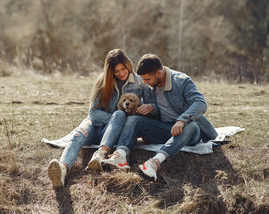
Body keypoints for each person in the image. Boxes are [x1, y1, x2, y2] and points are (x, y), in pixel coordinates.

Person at [102, 53, 218, 181]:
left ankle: (155, 162)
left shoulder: (181, 81)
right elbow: (157, 111)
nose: (144, 83)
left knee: (191, 125)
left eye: (147, 79)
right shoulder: (153, 86)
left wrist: (181, 120)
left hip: (188, 131)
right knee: (132, 119)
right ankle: (121, 156)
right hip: (165, 129)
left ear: (158, 73)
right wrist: (152, 107)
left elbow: (201, 103)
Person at [47, 49, 150, 188]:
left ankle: (100, 153)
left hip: (112, 132)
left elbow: (148, 104)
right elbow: (93, 113)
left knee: (119, 114)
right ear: (110, 72)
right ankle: (62, 170)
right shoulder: (103, 82)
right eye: (116, 71)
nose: (121, 73)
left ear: (128, 64)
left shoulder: (138, 82)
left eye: (123, 68)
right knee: (78, 135)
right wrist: (113, 120)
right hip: (94, 124)